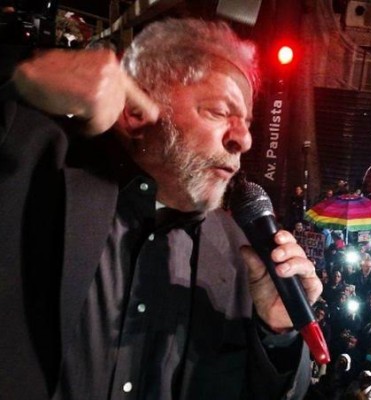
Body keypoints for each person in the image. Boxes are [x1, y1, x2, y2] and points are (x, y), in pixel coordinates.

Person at [1, 18, 321, 400]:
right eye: (220, 112)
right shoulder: (33, 167)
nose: (245, 140)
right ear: (136, 112)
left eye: (248, 123)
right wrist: (24, 71)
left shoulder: (241, 259)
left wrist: (278, 334)